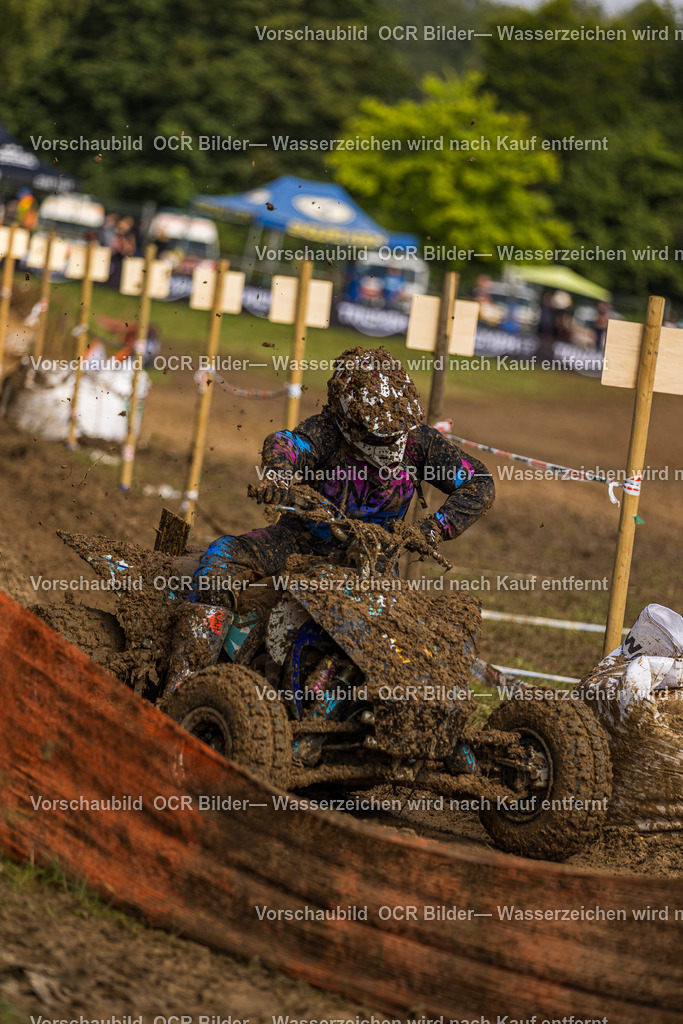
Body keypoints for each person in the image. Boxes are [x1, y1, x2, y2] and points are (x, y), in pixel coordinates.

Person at [164, 346, 495, 691]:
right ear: (348, 420)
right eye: (378, 433)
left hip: (373, 563)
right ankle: (184, 682)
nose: (389, 441)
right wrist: (278, 476)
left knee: (408, 644)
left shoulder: (419, 442)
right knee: (220, 559)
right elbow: (286, 443)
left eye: (396, 431)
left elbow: (480, 482)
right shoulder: (326, 432)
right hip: (299, 542)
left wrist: (432, 529)